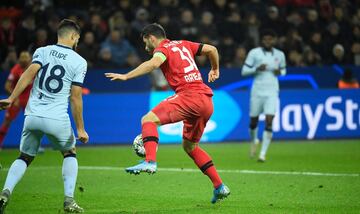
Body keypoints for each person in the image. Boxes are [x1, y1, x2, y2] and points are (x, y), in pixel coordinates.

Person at [105, 23, 230, 204]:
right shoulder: (183, 44)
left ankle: (149, 161)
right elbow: (212, 49)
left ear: (151, 37)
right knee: (190, 147)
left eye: (145, 42)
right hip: (206, 100)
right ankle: (220, 187)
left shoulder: (162, 48)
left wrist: (126, 76)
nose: (145, 47)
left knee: (148, 120)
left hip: (189, 96)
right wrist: (215, 68)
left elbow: (154, 63)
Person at [0, 19, 89, 213]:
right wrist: (80, 128)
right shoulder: (79, 62)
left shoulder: (42, 51)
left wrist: (11, 97)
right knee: (69, 152)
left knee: (24, 156)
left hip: (32, 116)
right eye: (78, 38)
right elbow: (75, 98)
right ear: (73, 36)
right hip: (56, 118)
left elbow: (28, 75)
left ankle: (5, 192)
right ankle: (69, 201)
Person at [241, 29, 286, 162]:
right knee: (253, 122)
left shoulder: (280, 54)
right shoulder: (254, 53)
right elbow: (244, 71)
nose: (268, 41)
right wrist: (256, 69)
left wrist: (279, 72)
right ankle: (254, 140)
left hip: (272, 91)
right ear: (262, 40)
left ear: (274, 40)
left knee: (269, 121)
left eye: (270, 39)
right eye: (266, 39)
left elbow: (283, 70)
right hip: (257, 91)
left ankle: (262, 154)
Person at [0, 51, 32, 149]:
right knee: (7, 122)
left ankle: (33, 146)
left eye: (26, 57)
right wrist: (15, 97)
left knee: (34, 122)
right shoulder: (16, 69)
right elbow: (7, 85)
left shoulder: (33, 68)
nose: (24, 60)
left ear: (30, 59)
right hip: (17, 99)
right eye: (22, 57)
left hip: (29, 100)